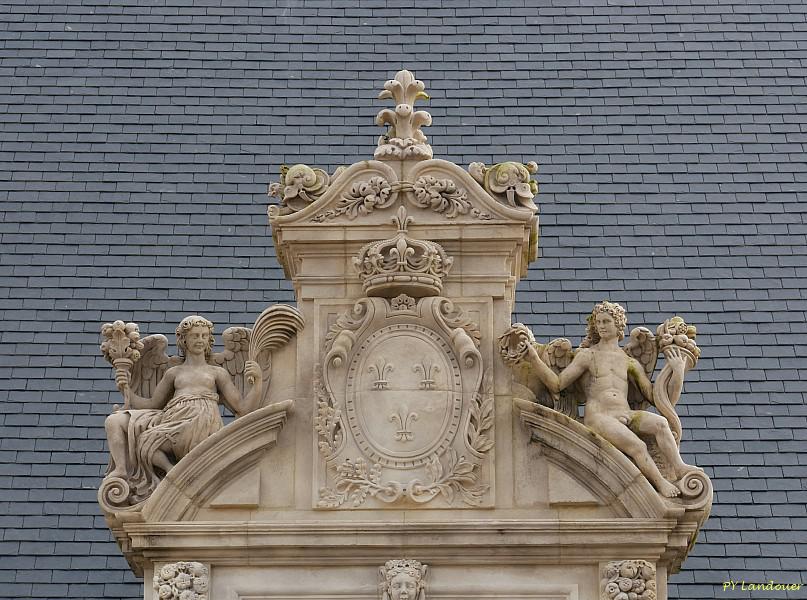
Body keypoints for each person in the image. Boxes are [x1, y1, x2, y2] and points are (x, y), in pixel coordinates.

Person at [523, 301, 697, 498]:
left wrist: (677, 371)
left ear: (619, 325)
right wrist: (534, 360)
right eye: (599, 322)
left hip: (625, 413)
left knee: (661, 423)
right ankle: (661, 484)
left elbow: (658, 399)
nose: (602, 326)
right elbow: (557, 384)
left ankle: (679, 467)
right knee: (638, 446)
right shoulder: (588, 355)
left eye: (607, 321)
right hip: (599, 416)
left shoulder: (629, 361)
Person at [104, 315, 262, 500]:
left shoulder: (217, 372)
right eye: (195, 336)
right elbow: (152, 404)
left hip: (201, 419)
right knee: (124, 427)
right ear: (183, 339)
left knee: (148, 441)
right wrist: (126, 389)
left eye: (204, 336)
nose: (200, 340)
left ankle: (174, 473)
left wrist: (257, 381)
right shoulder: (173, 372)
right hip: (172, 417)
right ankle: (138, 470)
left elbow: (242, 408)